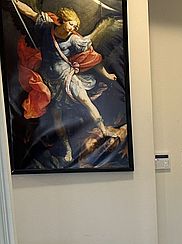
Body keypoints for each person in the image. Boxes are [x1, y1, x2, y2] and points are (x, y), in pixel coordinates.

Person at [12, 0, 117, 162]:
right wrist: (15, 2)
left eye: (75, 26)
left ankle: (104, 130)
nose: (74, 28)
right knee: (57, 117)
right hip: (49, 81)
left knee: (85, 101)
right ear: (62, 20)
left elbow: (92, 58)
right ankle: (67, 149)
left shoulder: (74, 40)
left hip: (67, 77)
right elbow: (29, 13)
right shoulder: (46, 27)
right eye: (71, 24)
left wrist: (107, 75)